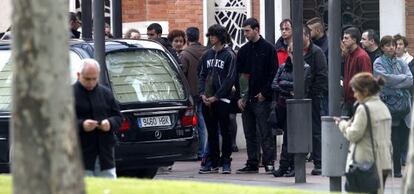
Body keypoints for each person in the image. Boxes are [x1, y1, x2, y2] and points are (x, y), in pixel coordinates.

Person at [334, 72, 392, 194]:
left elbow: (353, 135)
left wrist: (342, 124)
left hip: (366, 162)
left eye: (356, 91)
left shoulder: (364, 109)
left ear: (364, 92)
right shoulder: (383, 107)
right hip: (384, 161)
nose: (354, 95)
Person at [236, 18, 278, 174]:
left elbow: (273, 74)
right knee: (249, 133)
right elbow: (239, 74)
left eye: (247, 30)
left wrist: (264, 93)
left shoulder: (269, 49)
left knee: (265, 131)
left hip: (262, 98)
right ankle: (252, 162)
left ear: (256, 29)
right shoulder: (243, 50)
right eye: (244, 31)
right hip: (247, 98)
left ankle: (268, 162)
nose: (245, 34)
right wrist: (240, 97)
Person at [74, 58, 122, 179]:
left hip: (104, 155)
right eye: (87, 79)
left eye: (94, 79)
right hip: (80, 156)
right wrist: (81, 125)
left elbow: (118, 117)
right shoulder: (69, 94)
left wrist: (109, 123)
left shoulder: (106, 93)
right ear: (78, 75)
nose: (91, 83)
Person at [198, 24, 237, 174]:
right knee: (212, 132)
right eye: (209, 35)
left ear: (220, 36)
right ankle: (213, 162)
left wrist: (217, 96)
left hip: (223, 100)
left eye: (213, 35)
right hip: (207, 100)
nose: (210, 38)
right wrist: (202, 93)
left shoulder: (229, 55)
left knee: (225, 132)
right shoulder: (206, 54)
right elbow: (201, 75)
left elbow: (230, 78)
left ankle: (226, 161)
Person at [373, 35, 413, 178]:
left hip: (403, 106)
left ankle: (397, 168)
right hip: (387, 104)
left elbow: (410, 80)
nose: (392, 48)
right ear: (382, 47)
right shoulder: (378, 62)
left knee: (402, 138)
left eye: (393, 45)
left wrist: (395, 81)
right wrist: (401, 79)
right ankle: (392, 169)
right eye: (388, 45)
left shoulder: (401, 62)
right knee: (390, 138)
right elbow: (384, 80)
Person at [272, 42, 312, 177]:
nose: (294, 55)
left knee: (294, 136)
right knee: (286, 137)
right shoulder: (284, 67)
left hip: (298, 106)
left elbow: (300, 85)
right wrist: (288, 88)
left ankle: (292, 165)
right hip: (283, 105)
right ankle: (285, 166)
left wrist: (284, 84)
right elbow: (275, 84)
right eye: (292, 52)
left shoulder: (305, 67)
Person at [301, 25, 328, 175]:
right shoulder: (295, 51)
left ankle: (319, 162)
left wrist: (314, 93)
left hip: (313, 97)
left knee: (316, 130)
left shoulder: (316, 52)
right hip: (299, 97)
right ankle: (296, 162)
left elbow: (322, 76)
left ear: (307, 36)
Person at [180, 27, 208, 160]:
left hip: (192, 93)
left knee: (197, 123)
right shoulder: (207, 51)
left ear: (187, 37)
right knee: (206, 122)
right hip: (207, 92)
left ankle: (200, 151)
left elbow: (182, 74)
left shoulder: (184, 54)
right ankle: (206, 150)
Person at [341, 27, 372, 116]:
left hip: (358, 101)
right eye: (343, 38)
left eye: (346, 38)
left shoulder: (362, 56)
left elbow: (366, 80)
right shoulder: (349, 55)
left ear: (354, 40)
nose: (343, 40)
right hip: (349, 100)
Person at [394, 34, 413, 166]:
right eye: (395, 44)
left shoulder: (411, 61)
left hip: (408, 99)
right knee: (395, 129)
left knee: (406, 128)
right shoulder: (390, 61)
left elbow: (410, 81)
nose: (398, 47)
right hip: (393, 101)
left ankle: (405, 157)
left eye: (400, 44)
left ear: (405, 46)